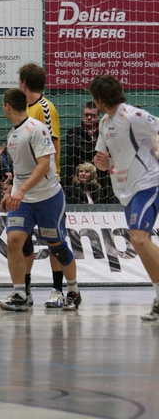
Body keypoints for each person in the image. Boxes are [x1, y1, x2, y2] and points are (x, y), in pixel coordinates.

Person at [0, 88, 81, 312]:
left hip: (47, 197)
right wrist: (9, 192)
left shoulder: (37, 128)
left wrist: (21, 190)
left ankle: (73, 291)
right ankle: (20, 295)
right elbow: (19, 169)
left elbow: (44, 165)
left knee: (57, 247)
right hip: (23, 200)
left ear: (7, 106)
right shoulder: (12, 134)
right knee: (14, 241)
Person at [91, 75, 159, 321]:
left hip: (148, 184)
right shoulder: (104, 122)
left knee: (138, 239)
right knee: (141, 244)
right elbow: (102, 162)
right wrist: (101, 162)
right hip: (124, 190)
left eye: (94, 98)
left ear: (99, 99)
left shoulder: (133, 116)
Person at [18, 63, 66, 308]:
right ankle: (24, 292)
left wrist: (48, 177)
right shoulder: (23, 110)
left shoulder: (45, 108)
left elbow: (52, 146)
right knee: (22, 240)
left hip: (46, 188)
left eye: (19, 81)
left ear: (24, 83)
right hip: (25, 188)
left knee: (53, 241)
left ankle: (58, 290)